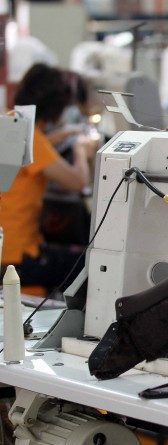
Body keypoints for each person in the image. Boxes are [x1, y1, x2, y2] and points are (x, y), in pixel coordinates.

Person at [0, 63, 94, 294]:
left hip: (5, 248)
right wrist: (82, 151)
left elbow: (31, 151)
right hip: (18, 255)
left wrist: (64, 133)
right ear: (58, 106)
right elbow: (78, 182)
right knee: (91, 266)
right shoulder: (34, 138)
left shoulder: (11, 123)